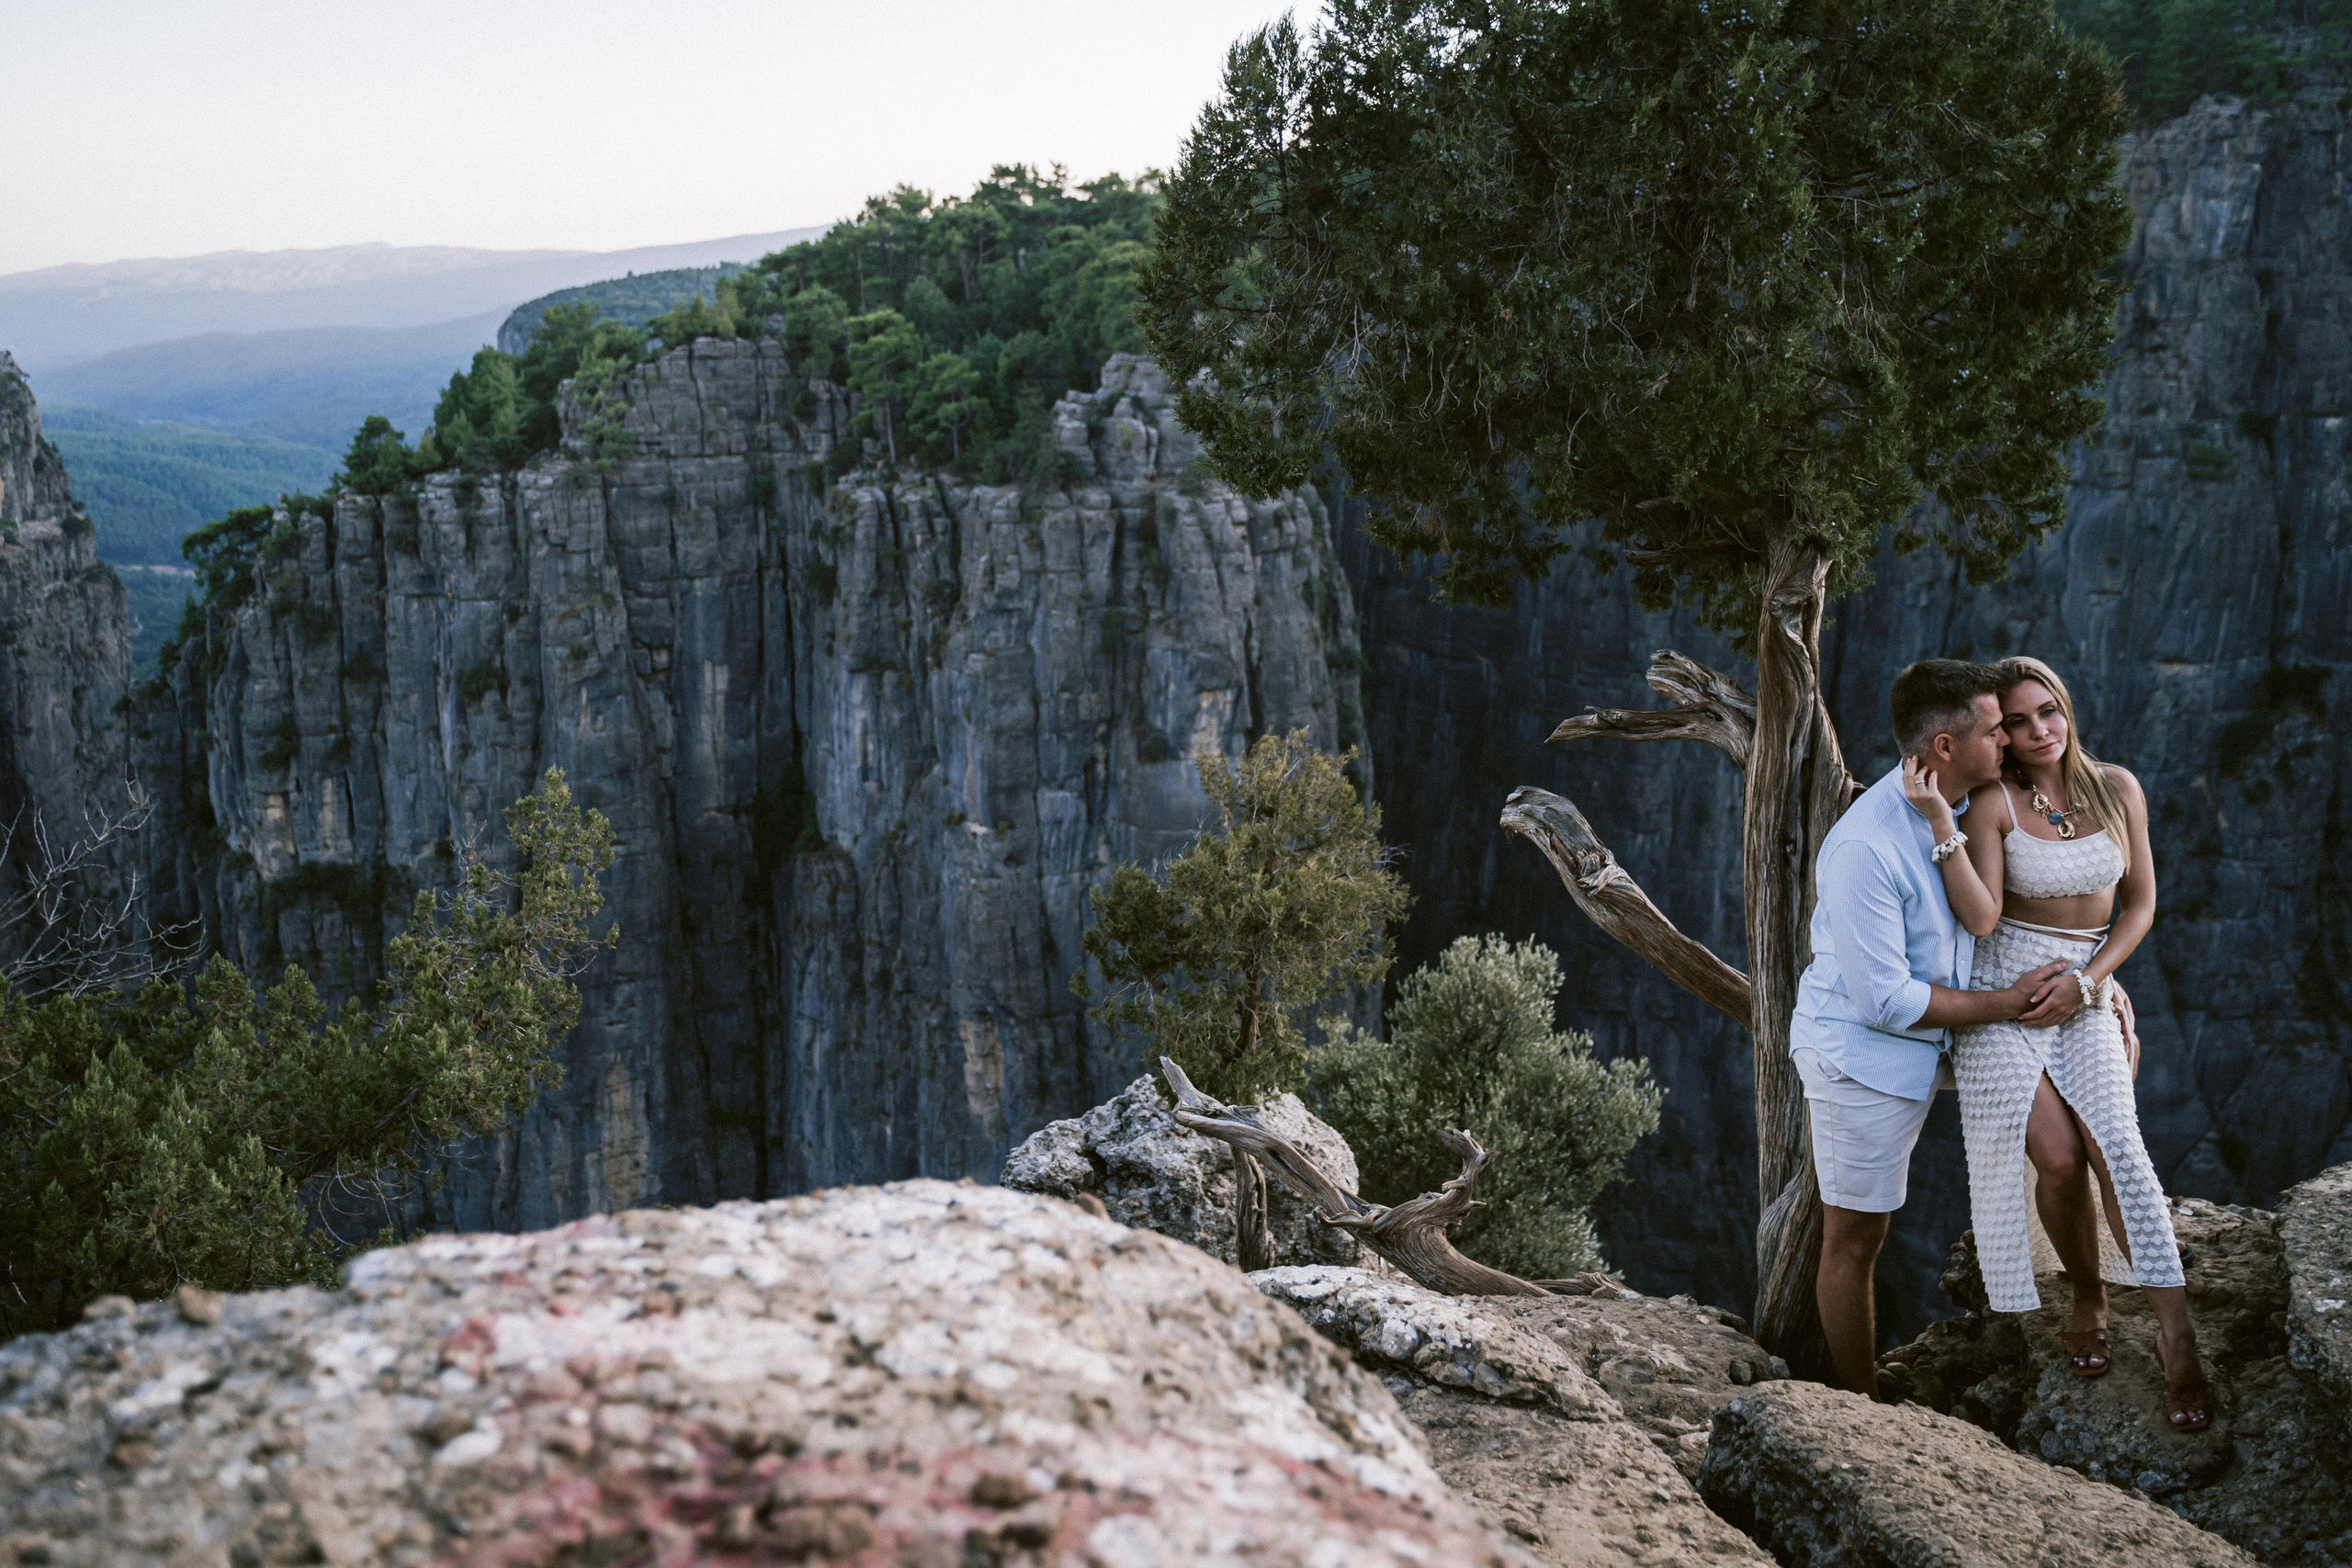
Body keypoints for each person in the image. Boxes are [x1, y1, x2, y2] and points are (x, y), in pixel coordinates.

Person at [1908, 655, 2211, 1432]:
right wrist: (1946, 823)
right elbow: (1981, 918)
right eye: (2015, 720)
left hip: (2084, 987)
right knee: (2060, 1154)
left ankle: (2179, 1337)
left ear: (2066, 709)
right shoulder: (1992, 802)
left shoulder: (2118, 788)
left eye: (2049, 711)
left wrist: (2094, 982)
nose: (2037, 729)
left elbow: (2139, 906)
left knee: (2118, 1143)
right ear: (1998, 734)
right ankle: (2089, 1289)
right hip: (2005, 992)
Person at [1792, 660, 2073, 1398]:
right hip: (1865, 1057)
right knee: (1856, 1237)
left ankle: (2094, 1292)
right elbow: (1886, 1001)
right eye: (1993, 730)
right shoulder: (1867, 846)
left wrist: (2099, 985)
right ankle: (1861, 1401)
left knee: (2071, 1118)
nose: (2010, 740)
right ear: (1943, 747)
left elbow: (2037, 904)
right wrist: (2012, 1004)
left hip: (1944, 1036)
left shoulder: (1973, 803)